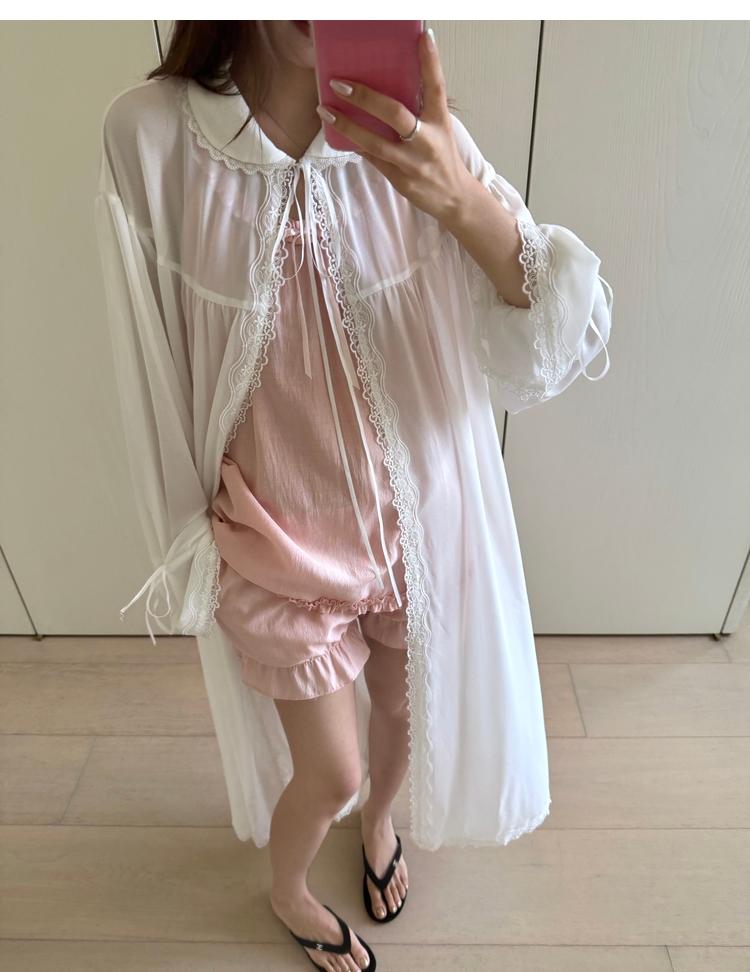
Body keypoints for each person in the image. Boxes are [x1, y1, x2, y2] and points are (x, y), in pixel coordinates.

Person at [94, 20, 613, 972]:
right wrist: (181, 540)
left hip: (417, 528)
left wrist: (458, 198)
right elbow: (151, 363)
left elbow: (557, 340)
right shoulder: (153, 137)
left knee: (403, 721)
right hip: (277, 547)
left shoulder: (412, 130)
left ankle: (381, 824)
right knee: (329, 770)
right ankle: (289, 887)